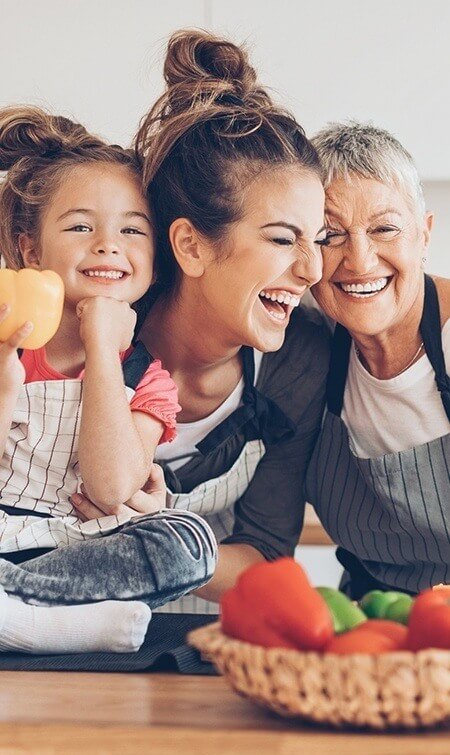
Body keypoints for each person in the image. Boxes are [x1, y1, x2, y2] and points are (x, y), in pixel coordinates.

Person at [0, 28, 329, 654]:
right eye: (284, 240)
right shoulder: (87, 319)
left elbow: (265, 560)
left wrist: (151, 516)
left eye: (318, 238)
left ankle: (32, 610)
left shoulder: (297, 362)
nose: (313, 272)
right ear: (190, 246)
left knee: (187, 543)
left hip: (186, 642)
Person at [0, 106, 217, 654]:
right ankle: (42, 624)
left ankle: (20, 609)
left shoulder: (149, 381)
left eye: (130, 228)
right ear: (30, 249)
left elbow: (109, 488)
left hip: (76, 553)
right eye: (79, 226)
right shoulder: (7, 346)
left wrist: (101, 349)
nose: (106, 243)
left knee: (189, 543)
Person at [305, 121, 450, 598]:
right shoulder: (307, 346)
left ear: (424, 236)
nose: (360, 260)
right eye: (330, 235)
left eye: (384, 229)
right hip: (370, 628)